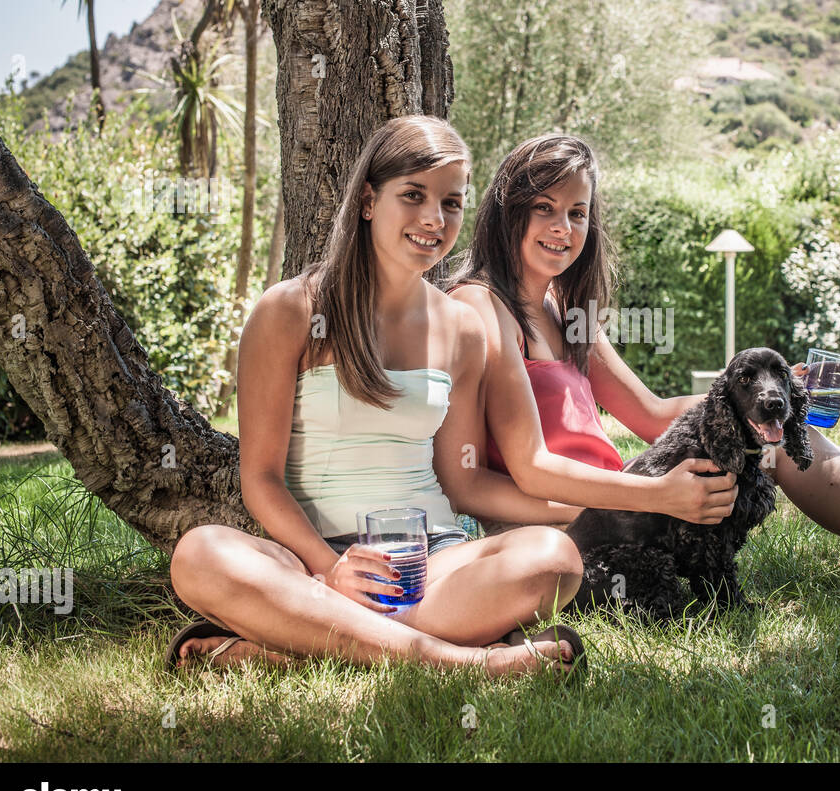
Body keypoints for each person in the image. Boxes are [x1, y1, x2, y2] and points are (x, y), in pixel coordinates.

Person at [169, 116, 737, 674]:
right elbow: (260, 479)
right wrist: (331, 566)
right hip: (313, 561)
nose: (433, 218)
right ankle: (460, 661)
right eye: (413, 195)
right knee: (200, 554)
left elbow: (458, 481)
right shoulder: (291, 310)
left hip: (432, 559)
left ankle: (294, 643)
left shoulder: (461, 328)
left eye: (451, 202)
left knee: (554, 559)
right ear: (368, 200)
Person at [448, 133, 840, 583]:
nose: (563, 228)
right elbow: (479, 478)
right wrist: (647, 495)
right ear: (509, 211)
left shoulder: (561, 304)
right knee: (775, 439)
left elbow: (654, 414)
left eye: (577, 213)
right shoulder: (481, 306)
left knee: (779, 428)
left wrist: (765, 393)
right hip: (578, 521)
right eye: (545, 209)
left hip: (626, 494)